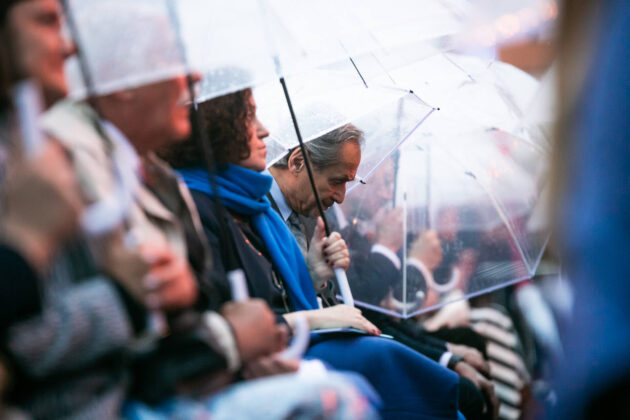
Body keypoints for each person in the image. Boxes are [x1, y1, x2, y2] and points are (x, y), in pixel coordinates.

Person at [164, 87, 462, 420]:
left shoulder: (254, 207)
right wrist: (319, 315)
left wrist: (315, 276)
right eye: (249, 117)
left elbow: (279, 292)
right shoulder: (212, 206)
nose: (264, 130)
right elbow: (242, 315)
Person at [266, 123, 499, 420]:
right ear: (297, 161)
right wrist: (392, 253)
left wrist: (314, 277)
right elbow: (373, 304)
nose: (341, 195)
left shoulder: (309, 213)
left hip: (330, 340)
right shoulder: (303, 214)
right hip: (303, 350)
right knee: (457, 390)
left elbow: (381, 313)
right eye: (338, 181)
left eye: (350, 182)